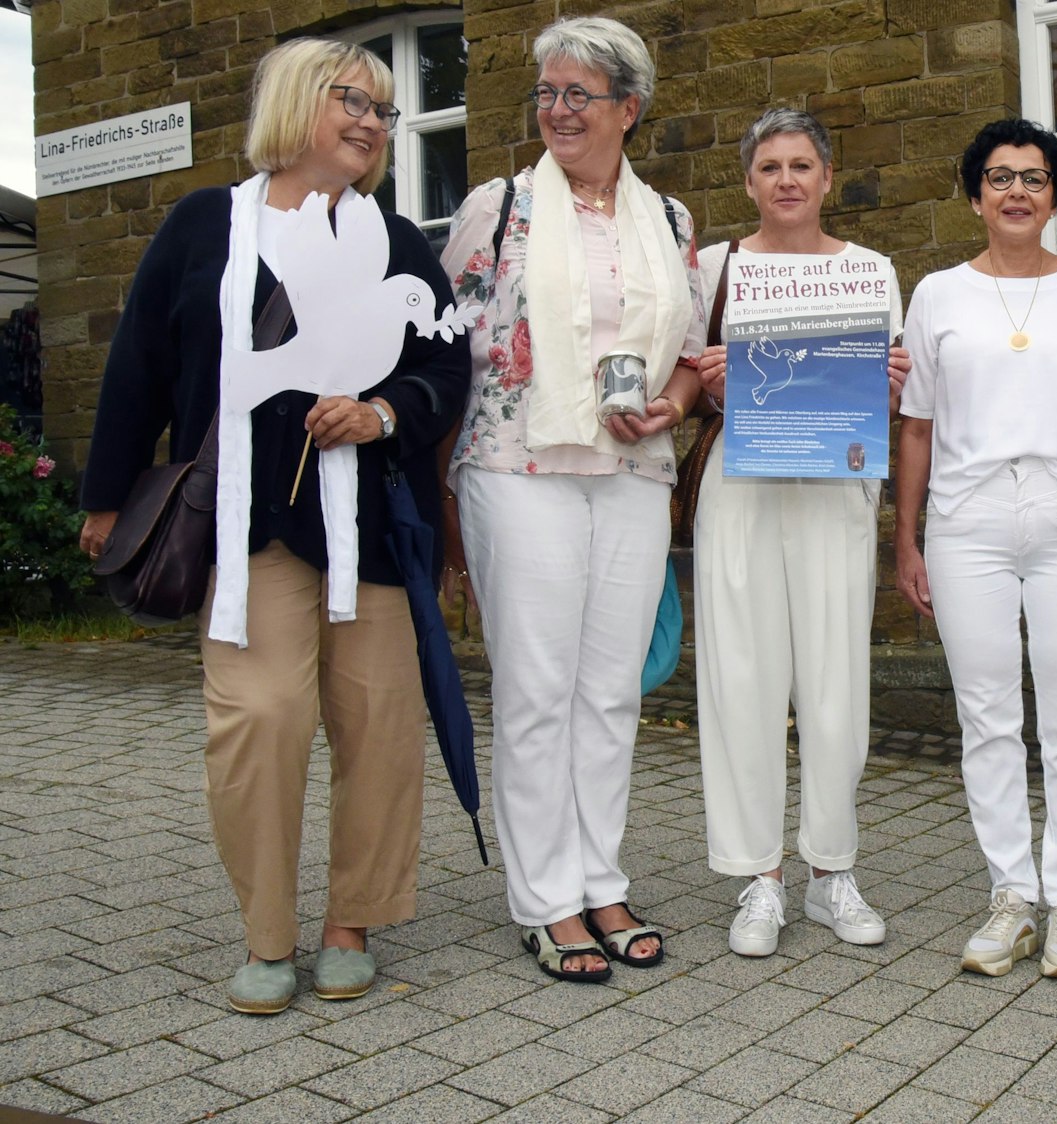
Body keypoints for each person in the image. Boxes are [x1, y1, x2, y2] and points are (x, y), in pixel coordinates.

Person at [78, 39, 470, 1015]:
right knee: (259, 721)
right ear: (297, 103)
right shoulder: (204, 224)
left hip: (370, 531)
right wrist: (106, 497)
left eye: (384, 110)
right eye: (355, 101)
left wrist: (380, 412)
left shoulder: (395, 239)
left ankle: (352, 922)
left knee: (379, 728)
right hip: (246, 528)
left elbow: (444, 366)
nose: (374, 123)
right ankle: (267, 932)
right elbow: (138, 363)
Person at [439, 16, 704, 983]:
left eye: (578, 95)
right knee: (538, 689)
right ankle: (546, 899)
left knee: (610, 691)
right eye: (546, 93)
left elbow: (689, 357)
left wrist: (673, 405)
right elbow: (441, 349)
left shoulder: (670, 220)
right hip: (519, 466)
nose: (557, 110)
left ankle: (602, 879)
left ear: (628, 109)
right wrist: (440, 503)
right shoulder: (498, 207)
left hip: (632, 473)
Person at [895, 118, 1057, 979]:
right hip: (968, 523)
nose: (1017, 191)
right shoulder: (938, 294)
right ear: (975, 195)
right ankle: (1011, 897)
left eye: (1033, 177)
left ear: (1056, 195)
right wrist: (906, 538)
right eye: (1000, 177)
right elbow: (917, 426)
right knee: (987, 717)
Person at [690, 107, 911, 958]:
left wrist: (888, 381)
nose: (786, 180)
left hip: (833, 486)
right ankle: (759, 876)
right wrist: (709, 379)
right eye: (770, 167)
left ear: (826, 178)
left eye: (801, 166)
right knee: (741, 675)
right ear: (749, 182)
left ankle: (831, 870)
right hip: (740, 487)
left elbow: (880, 395)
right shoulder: (714, 268)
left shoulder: (869, 271)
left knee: (834, 681)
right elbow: (683, 378)